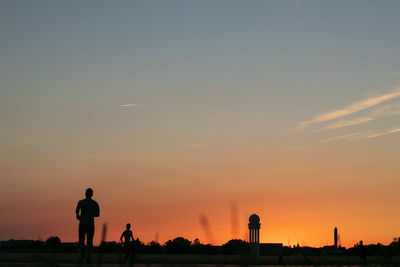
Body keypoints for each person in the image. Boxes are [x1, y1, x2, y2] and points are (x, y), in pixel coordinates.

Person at [76, 188, 100, 263]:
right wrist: (91, 214)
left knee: (81, 240)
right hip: (90, 224)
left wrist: (78, 216)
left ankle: (82, 255)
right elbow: (98, 214)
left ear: (85, 194)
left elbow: (77, 210)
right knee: (89, 241)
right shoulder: (95, 203)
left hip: (82, 223)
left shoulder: (81, 202)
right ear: (92, 194)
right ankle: (88, 257)